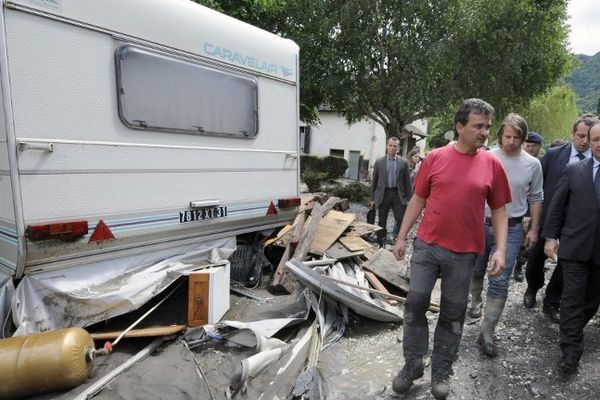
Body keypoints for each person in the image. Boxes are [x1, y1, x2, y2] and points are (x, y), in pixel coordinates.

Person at [391, 99, 511, 399]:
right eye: (477, 126)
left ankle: (442, 370)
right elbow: (418, 199)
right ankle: (413, 362)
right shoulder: (435, 158)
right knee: (415, 303)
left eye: (487, 126)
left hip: (465, 252)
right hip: (428, 246)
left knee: (453, 313)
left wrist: (500, 250)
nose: (484, 132)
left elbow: (498, 210)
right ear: (459, 127)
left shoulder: (492, 164)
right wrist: (402, 236)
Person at [467, 115, 543, 357]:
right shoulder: (487, 157)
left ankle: (487, 332)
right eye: (507, 136)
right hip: (481, 223)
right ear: (500, 136)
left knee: (500, 280)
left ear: (523, 137)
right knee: (476, 269)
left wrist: (534, 228)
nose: (511, 142)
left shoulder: (533, 164)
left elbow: (536, 197)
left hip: (512, 228)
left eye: (516, 137)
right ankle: (475, 300)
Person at [524, 113, 599, 324]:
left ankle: (552, 301)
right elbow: (536, 187)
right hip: (548, 218)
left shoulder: (595, 161)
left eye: (588, 137)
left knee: (567, 267)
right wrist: (531, 216)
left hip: (577, 226)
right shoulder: (555, 154)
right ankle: (532, 287)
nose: (584, 141)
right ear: (572, 134)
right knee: (536, 258)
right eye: (581, 135)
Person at [542, 120, 600, 374]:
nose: (598, 144)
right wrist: (550, 237)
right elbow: (556, 207)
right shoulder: (575, 170)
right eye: (595, 139)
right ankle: (570, 352)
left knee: (591, 301)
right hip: (575, 247)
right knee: (572, 298)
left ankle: (572, 329)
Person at [514, 131, 545, 282]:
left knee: (526, 242)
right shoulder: (517, 160)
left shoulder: (541, 164)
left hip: (533, 209)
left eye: (534, 146)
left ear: (540, 146)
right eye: (528, 145)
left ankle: (519, 266)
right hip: (514, 208)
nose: (530, 149)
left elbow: (537, 193)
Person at [371, 136, 412, 246]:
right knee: (382, 219)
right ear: (387, 146)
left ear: (398, 148)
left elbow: (407, 183)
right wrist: (372, 199)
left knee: (400, 218)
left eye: (395, 146)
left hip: (398, 194)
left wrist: (410, 199)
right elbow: (374, 181)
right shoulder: (379, 162)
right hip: (383, 194)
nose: (392, 148)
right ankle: (381, 240)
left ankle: (398, 239)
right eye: (390, 145)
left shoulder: (403, 162)